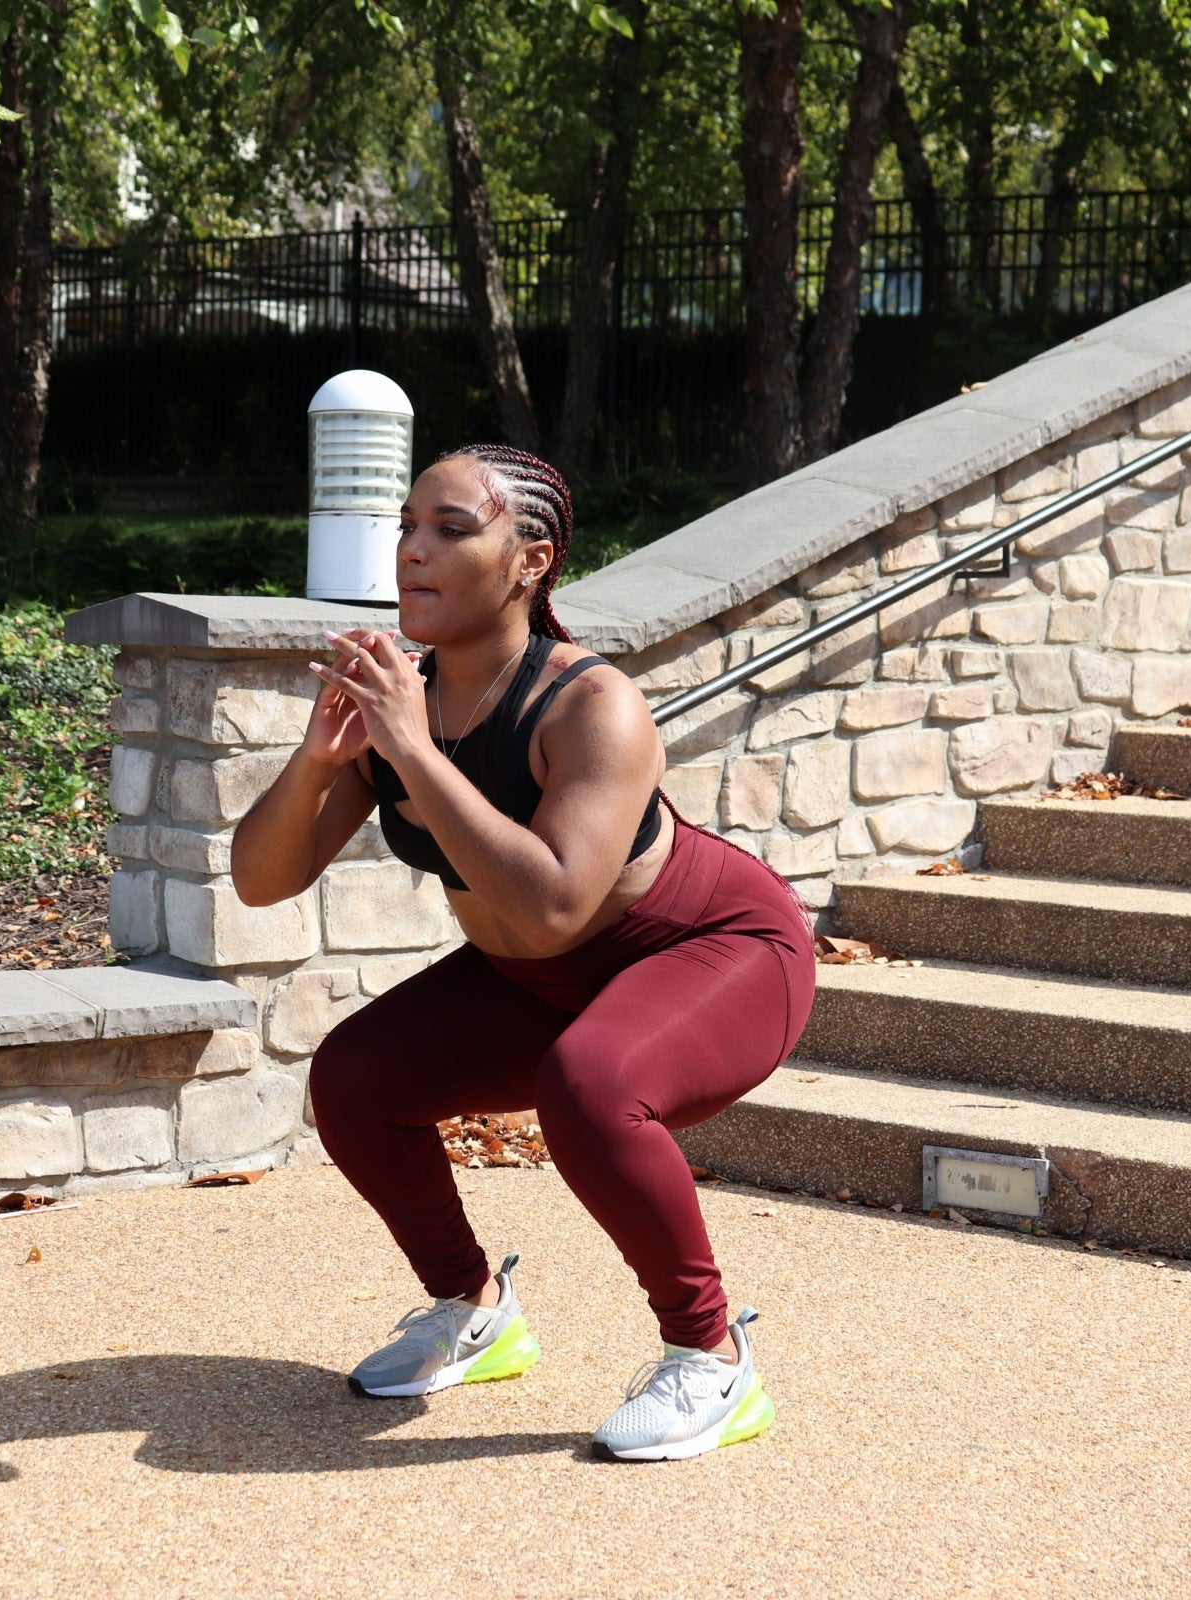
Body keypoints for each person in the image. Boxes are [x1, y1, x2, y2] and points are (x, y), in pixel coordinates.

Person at [231, 443, 818, 1462]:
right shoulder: (398, 707)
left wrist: (410, 749)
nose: (414, 551)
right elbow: (260, 879)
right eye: (408, 526)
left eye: (452, 529)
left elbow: (552, 904)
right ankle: (475, 1308)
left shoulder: (592, 707)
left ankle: (713, 1360)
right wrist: (321, 758)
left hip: (717, 950)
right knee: (355, 1075)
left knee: (590, 1083)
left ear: (530, 561)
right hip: (538, 978)